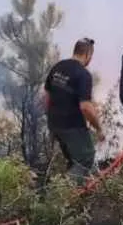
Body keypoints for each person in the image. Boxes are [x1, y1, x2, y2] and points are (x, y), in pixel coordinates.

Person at [44, 37, 105, 185]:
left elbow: (46, 95)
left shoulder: (57, 67)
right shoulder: (83, 75)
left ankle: (77, 198)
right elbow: (85, 107)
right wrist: (98, 128)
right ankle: (64, 194)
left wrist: (52, 119)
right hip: (71, 125)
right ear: (88, 55)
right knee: (86, 158)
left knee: (73, 161)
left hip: (55, 124)